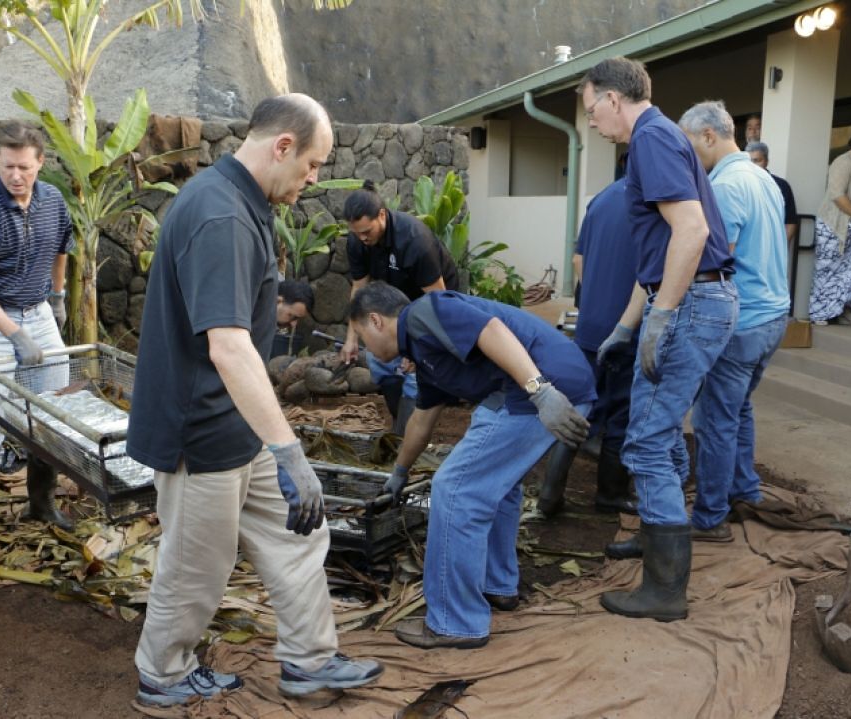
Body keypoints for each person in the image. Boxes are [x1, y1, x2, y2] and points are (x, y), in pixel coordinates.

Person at [125, 94, 382, 714]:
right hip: (200, 432)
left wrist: (276, 447)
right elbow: (230, 348)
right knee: (197, 567)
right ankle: (162, 673)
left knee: (299, 535)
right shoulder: (221, 215)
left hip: (236, 427)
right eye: (313, 164)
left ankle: (310, 659)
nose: (314, 178)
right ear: (282, 146)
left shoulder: (242, 201)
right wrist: (290, 450)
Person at [349, 283, 593, 649]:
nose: (366, 348)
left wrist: (541, 391)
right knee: (497, 485)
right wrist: (399, 473)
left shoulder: (425, 312)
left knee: (455, 489)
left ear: (375, 321)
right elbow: (422, 419)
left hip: (542, 389)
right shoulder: (424, 349)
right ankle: (498, 586)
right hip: (545, 385)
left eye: (362, 337)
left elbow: (492, 330)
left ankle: (455, 621)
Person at [581, 57, 737, 622]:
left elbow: (691, 231)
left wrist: (663, 316)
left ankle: (665, 589)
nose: (591, 122)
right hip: (690, 299)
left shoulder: (651, 138)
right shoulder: (660, 137)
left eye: (591, 109)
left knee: (645, 442)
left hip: (692, 303)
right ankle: (654, 535)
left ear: (613, 99)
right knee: (661, 430)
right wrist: (630, 324)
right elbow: (658, 255)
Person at [0, 120, 75, 571]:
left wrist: (57, 297)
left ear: (40, 163)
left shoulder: (52, 200)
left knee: (52, 412)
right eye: (7, 166)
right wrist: (13, 334)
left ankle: (40, 504)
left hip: (38, 311)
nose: (15, 175)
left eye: (24, 167)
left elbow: (62, 246)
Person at [680, 101, 789, 540]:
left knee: (712, 421)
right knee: (738, 408)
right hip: (773, 316)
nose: (688, 155)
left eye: (689, 144)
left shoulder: (723, 187)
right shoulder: (764, 177)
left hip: (742, 321)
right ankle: (745, 491)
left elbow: (714, 260)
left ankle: (710, 518)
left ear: (709, 136)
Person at [539, 173, 639, 518]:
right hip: (628, 326)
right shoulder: (654, 202)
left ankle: (550, 492)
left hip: (591, 323)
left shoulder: (602, 199)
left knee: (580, 406)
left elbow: (578, 260)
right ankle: (611, 494)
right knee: (622, 414)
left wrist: (597, 291)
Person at [339, 181, 459, 434]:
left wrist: (418, 347)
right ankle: (399, 428)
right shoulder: (358, 241)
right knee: (381, 363)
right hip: (393, 306)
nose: (362, 238)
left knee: (416, 372)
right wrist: (351, 338)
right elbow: (359, 289)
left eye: (367, 231)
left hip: (431, 304)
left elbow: (438, 301)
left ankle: (409, 436)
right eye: (356, 233)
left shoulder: (414, 240)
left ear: (382, 215)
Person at [808, 126, 851, 326]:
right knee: (829, 269)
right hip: (836, 227)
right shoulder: (844, 162)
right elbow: (837, 194)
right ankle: (820, 313)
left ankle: (846, 311)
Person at [746, 141, 800, 248]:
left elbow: (790, 221)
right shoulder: (739, 185)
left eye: (757, 160)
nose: (752, 166)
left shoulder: (781, 186)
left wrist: (781, 247)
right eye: (749, 161)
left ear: (766, 161)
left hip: (772, 246)